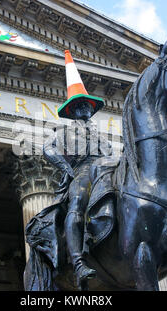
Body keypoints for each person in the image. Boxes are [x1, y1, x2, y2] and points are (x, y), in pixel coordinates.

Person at [43, 99, 112, 288]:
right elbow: (48, 149)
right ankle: (78, 262)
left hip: (107, 170)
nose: (86, 109)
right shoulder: (64, 132)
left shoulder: (102, 136)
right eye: (80, 106)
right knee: (79, 201)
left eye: (88, 106)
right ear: (72, 111)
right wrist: (66, 166)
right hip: (83, 170)